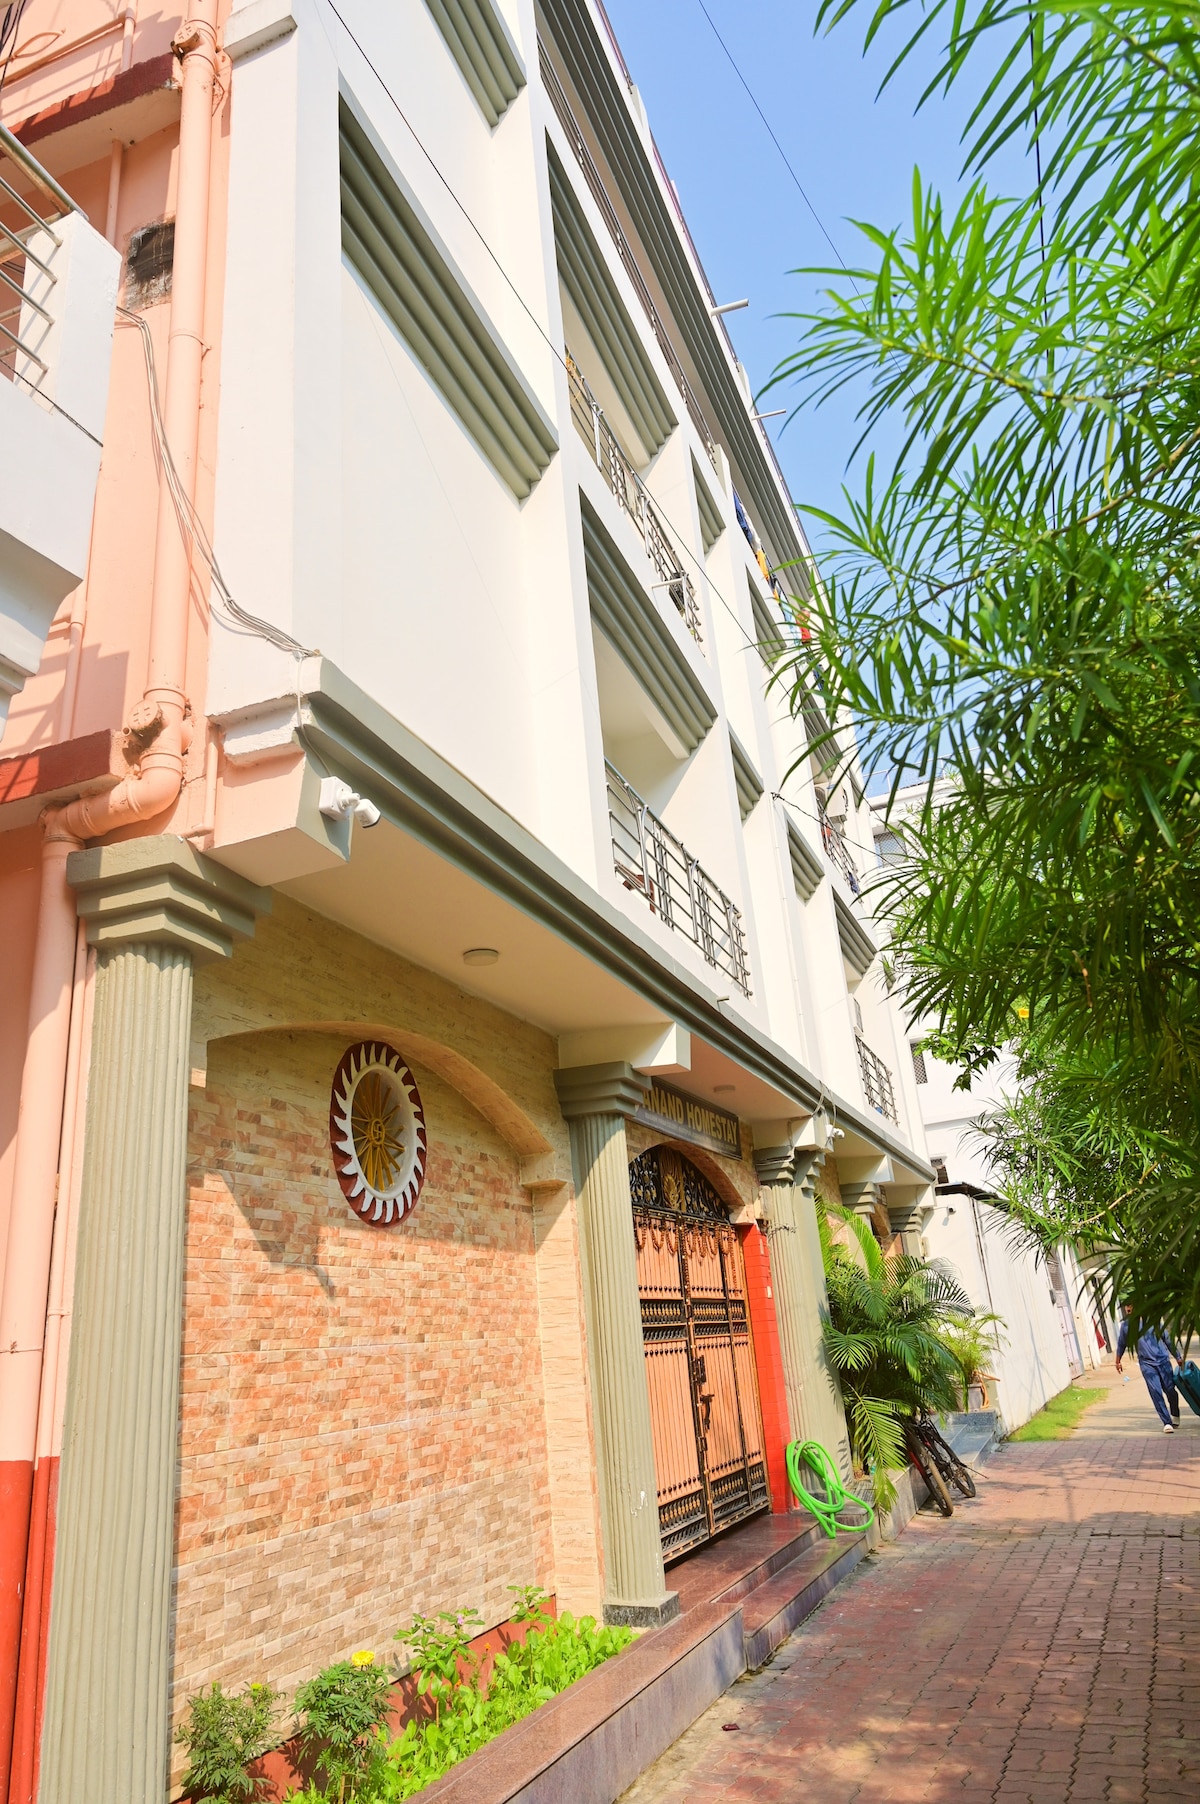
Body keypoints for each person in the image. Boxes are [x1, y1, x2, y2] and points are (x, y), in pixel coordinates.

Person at [1115, 1305, 1182, 1432]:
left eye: (1131, 1305)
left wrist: (1178, 1357)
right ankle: (1166, 1422)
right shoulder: (1126, 1326)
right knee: (1155, 1392)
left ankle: (1175, 1414)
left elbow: (1167, 1340)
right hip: (1146, 1364)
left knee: (1170, 1391)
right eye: (1126, 1306)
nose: (1128, 1308)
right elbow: (1121, 1344)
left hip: (1163, 1361)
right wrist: (1118, 1361)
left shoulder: (1153, 1321)